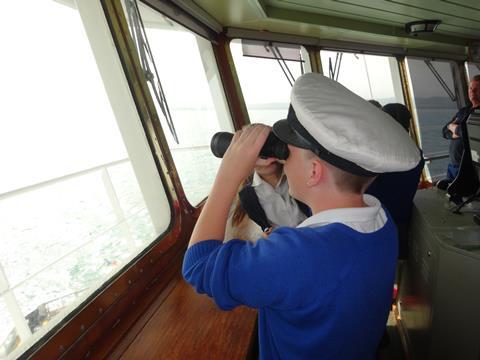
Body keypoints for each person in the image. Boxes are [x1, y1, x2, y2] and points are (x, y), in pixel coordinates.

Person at [182, 73, 420, 359]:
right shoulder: (381, 222)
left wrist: (230, 172)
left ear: (314, 172)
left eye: (287, 151)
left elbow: (197, 265)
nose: (281, 157)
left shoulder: (296, 255)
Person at [366, 103, 424, 259]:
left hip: (377, 222)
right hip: (401, 221)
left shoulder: (380, 154)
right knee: (398, 267)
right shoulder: (415, 153)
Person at [225, 156, 308, 241]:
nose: (264, 158)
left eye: (266, 148)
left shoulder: (301, 174)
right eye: (257, 153)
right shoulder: (246, 197)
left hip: (315, 235)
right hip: (284, 246)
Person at [438, 75, 480, 190]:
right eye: (470, 88)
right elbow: (444, 131)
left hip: (469, 168)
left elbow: (468, 133)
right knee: (453, 199)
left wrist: (454, 127)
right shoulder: (463, 111)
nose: (472, 92)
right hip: (453, 165)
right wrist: (455, 129)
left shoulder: (478, 113)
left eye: (476, 89)